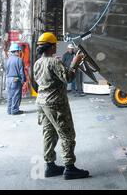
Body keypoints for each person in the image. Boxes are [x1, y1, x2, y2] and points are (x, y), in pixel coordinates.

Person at [34, 32, 89, 180]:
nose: (56, 47)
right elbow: (68, 78)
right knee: (67, 134)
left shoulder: (38, 63)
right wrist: (75, 62)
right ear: (51, 46)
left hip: (42, 102)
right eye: (55, 45)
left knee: (49, 133)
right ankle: (70, 168)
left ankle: (50, 166)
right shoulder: (54, 62)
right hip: (56, 103)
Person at [5, 43, 26, 115]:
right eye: (19, 51)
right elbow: (21, 71)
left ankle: (9, 110)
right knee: (16, 95)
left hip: (8, 79)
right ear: (17, 51)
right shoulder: (19, 60)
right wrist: (23, 80)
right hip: (16, 79)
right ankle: (15, 110)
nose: (19, 52)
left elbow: (6, 70)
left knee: (10, 95)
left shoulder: (7, 60)